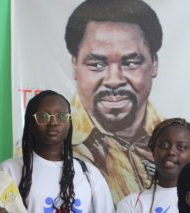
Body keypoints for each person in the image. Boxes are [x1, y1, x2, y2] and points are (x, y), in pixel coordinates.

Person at [64, 0, 164, 202]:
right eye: (96, 64)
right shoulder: (53, 148)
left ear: (154, 64)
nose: (114, 80)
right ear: (75, 66)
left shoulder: (174, 144)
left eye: (131, 63)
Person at [0, 90, 114, 213]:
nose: (53, 123)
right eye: (43, 116)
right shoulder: (8, 171)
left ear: (69, 122)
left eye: (61, 116)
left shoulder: (89, 173)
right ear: (31, 123)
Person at [114, 118, 190, 213]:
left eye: (181, 147)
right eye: (164, 145)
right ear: (153, 151)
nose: (171, 152)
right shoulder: (131, 204)